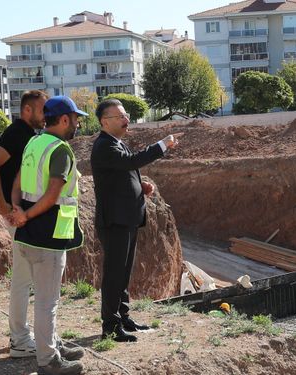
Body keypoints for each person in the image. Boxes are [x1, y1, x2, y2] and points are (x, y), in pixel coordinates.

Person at [91, 99, 180, 342]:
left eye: (125, 114)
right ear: (104, 122)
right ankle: (110, 326)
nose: (125, 119)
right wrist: (161, 145)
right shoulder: (104, 146)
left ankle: (123, 317)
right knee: (114, 275)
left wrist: (140, 186)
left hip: (125, 218)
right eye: (120, 116)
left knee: (123, 273)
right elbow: (131, 162)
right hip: (115, 221)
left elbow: (121, 174)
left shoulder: (115, 143)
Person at [10, 95, 86, 375]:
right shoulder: (61, 150)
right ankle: (48, 360)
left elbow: (17, 181)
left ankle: (51, 343)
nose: (77, 124)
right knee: (47, 301)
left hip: (28, 232)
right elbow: (53, 194)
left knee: (42, 298)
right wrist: (26, 214)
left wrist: (18, 209)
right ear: (64, 119)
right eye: (76, 119)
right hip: (48, 234)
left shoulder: (34, 143)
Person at [0, 90, 47, 358]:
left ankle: (23, 336)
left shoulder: (30, 134)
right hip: (16, 215)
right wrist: (2, 205)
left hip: (24, 214)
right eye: (43, 111)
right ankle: (20, 339)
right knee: (23, 278)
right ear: (28, 111)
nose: (47, 116)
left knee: (25, 277)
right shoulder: (17, 133)